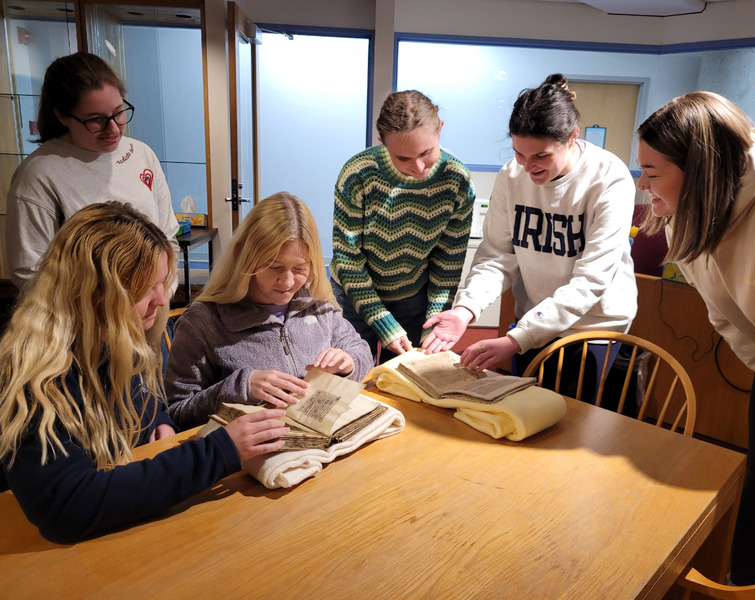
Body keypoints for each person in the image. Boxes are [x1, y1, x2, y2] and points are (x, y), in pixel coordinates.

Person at [0, 202, 288, 544]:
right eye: (144, 288)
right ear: (94, 293)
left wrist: (156, 420)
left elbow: (143, 399)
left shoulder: (111, 341)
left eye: (162, 283)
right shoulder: (34, 375)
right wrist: (219, 452)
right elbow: (66, 507)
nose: (160, 299)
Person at [635, 91, 755, 584]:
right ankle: (741, 587)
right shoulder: (687, 210)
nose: (645, 188)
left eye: (652, 172)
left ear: (700, 168)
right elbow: (724, 313)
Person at [422, 74, 637, 392]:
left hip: (593, 329)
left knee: (575, 431)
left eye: (541, 156)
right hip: (534, 320)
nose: (527, 166)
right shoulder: (512, 175)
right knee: (527, 416)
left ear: (573, 137)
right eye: (519, 153)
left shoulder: (609, 178)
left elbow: (590, 281)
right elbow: (496, 255)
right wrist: (465, 309)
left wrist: (516, 338)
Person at [165, 192, 372, 430]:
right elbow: (177, 413)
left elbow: (360, 351)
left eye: (300, 268)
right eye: (274, 267)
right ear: (245, 257)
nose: (287, 283)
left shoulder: (316, 302)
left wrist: (349, 364)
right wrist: (240, 387)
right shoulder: (203, 322)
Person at [5, 51, 179, 291]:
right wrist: (100, 314)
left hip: (148, 316)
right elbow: (31, 271)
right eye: (96, 119)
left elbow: (167, 239)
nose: (114, 128)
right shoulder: (39, 174)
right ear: (62, 115)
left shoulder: (141, 154)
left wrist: (161, 296)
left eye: (119, 112)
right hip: (86, 322)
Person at [330, 90, 475, 363]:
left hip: (414, 296)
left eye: (426, 153)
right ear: (381, 141)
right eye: (403, 158)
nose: (419, 167)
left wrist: (436, 317)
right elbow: (348, 258)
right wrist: (380, 320)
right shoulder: (359, 174)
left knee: (406, 377)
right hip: (352, 294)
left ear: (440, 130)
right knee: (350, 373)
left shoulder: (457, 180)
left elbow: (449, 260)